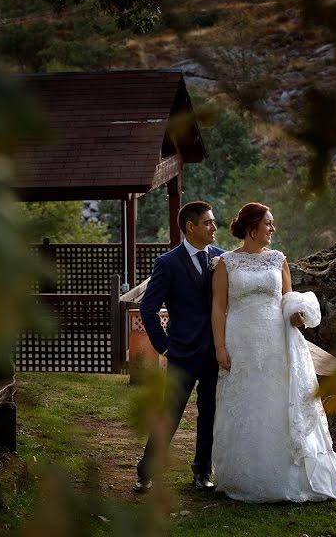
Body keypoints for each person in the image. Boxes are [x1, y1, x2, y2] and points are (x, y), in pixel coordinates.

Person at [211, 202, 336, 502]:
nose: (273, 229)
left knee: (277, 400)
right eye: (268, 223)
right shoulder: (226, 263)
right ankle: (243, 475)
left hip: (274, 340)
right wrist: (220, 346)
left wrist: (298, 314)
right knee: (245, 402)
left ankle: (286, 475)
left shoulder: (278, 260)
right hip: (240, 339)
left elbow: (287, 299)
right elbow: (219, 308)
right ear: (252, 226)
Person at [134, 201, 225, 493]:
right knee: (170, 414)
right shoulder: (168, 263)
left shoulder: (222, 259)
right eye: (209, 222)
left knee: (209, 414)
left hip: (214, 352)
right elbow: (148, 308)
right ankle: (146, 471)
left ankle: (202, 473)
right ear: (190, 227)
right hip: (182, 353)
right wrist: (164, 347)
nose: (214, 227)